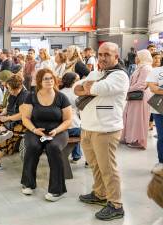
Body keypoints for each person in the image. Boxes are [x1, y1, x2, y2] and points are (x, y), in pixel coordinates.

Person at [74, 42, 129, 220]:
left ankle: (116, 204)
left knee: (108, 168)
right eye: (101, 54)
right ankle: (100, 194)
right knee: (95, 165)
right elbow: (77, 88)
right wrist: (88, 86)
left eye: (107, 54)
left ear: (116, 57)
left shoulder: (119, 76)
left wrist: (89, 86)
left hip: (106, 129)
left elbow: (96, 88)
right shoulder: (96, 73)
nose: (103, 57)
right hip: (88, 127)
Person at [20, 68, 72, 202]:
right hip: (35, 130)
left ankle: (57, 190)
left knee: (53, 147)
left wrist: (57, 130)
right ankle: (28, 183)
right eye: (45, 79)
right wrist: (34, 130)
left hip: (58, 131)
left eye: (51, 78)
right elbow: (25, 118)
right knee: (32, 146)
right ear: (39, 81)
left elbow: (68, 120)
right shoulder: (31, 96)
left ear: (54, 80)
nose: (49, 81)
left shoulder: (61, 97)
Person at [0, 75, 28, 172]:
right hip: (11, 119)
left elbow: (22, 115)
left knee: (7, 136)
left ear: (18, 88)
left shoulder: (24, 96)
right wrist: (2, 113)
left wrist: (7, 118)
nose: (9, 91)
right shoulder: (12, 94)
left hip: (23, 122)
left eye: (11, 89)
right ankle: (3, 132)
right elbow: (8, 108)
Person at [121, 49, 153, 149]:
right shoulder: (140, 67)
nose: (135, 58)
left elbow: (142, 84)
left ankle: (139, 140)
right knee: (131, 117)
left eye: (137, 56)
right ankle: (131, 138)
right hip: (135, 96)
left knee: (138, 119)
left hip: (141, 97)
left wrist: (127, 89)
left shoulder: (146, 68)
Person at [59, 72, 82, 163]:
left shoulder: (59, 93)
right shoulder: (76, 93)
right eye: (78, 80)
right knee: (81, 130)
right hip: (74, 127)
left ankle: (77, 155)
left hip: (61, 127)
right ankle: (77, 155)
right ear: (72, 82)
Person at [147, 56, 163, 173]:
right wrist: (157, 88)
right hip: (159, 109)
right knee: (162, 137)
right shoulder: (156, 71)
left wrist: (160, 88)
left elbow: (158, 88)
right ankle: (161, 162)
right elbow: (153, 88)